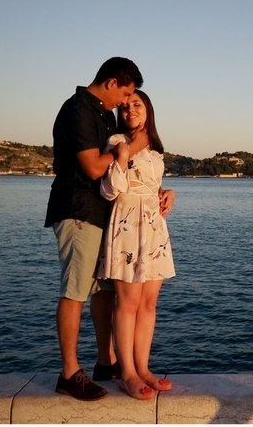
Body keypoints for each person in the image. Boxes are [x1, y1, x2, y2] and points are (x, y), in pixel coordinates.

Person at [44, 57, 148, 401]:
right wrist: (129, 149)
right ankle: (69, 373)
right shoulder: (78, 110)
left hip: (103, 216)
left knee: (104, 291)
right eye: (126, 93)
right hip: (78, 211)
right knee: (75, 291)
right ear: (111, 83)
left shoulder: (102, 114)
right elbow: (91, 167)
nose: (124, 102)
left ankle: (107, 362)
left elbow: (120, 174)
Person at [96, 89, 176, 401]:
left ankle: (143, 367)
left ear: (148, 110)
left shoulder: (156, 149)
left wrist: (170, 192)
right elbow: (110, 189)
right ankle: (126, 372)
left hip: (154, 227)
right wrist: (127, 152)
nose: (130, 110)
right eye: (126, 106)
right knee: (127, 303)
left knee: (149, 303)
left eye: (137, 105)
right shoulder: (117, 143)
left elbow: (151, 185)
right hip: (128, 225)